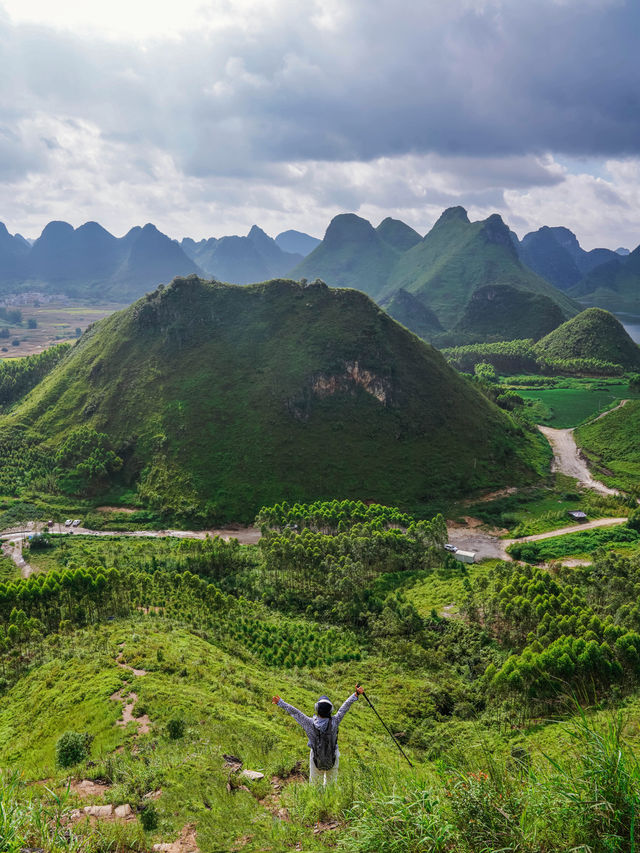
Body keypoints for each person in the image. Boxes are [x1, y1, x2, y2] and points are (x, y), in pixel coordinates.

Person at [272, 685, 364, 785]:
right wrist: (356, 694)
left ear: (316, 708)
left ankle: (317, 799)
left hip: (316, 758)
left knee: (315, 784)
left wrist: (280, 703)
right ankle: (330, 798)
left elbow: (295, 712)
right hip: (332, 757)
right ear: (331, 710)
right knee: (331, 785)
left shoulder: (309, 723)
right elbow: (344, 708)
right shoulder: (335, 722)